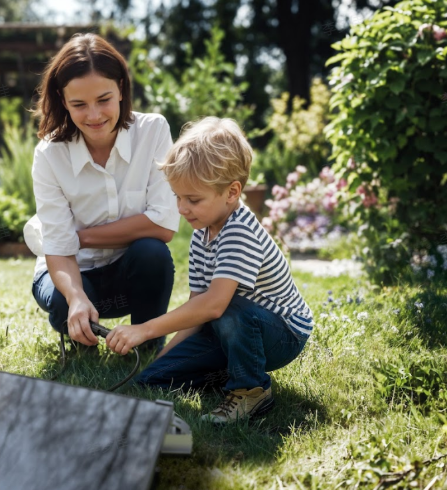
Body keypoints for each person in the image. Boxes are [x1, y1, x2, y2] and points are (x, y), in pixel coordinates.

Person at [104, 117, 314, 424]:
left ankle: (250, 390)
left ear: (231, 192)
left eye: (193, 199)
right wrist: (160, 362)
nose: (181, 208)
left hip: (282, 333)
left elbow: (213, 305)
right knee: (154, 379)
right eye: (177, 197)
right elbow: (196, 309)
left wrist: (144, 330)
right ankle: (227, 370)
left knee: (228, 308)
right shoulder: (202, 231)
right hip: (228, 329)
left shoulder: (239, 231)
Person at [25, 33, 180, 351]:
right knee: (62, 304)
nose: (94, 116)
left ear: (121, 88)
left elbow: (163, 226)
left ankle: (145, 342)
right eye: (79, 104)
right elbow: (57, 249)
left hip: (130, 272)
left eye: (104, 100)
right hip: (71, 273)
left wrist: (78, 237)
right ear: (62, 99)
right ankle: (81, 327)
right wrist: (76, 296)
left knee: (151, 253)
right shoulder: (49, 154)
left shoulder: (153, 131)